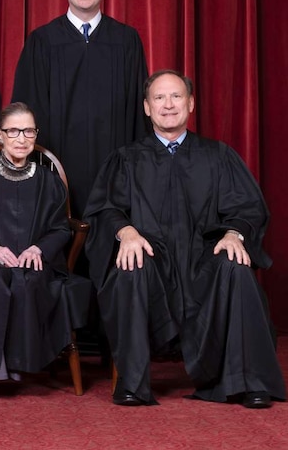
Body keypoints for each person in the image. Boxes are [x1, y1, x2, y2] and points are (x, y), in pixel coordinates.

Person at [84, 70, 286, 408]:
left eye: (176, 96)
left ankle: (250, 382)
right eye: (159, 98)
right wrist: (126, 231)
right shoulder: (127, 158)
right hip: (154, 259)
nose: (168, 105)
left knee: (235, 266)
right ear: (146, 108)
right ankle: (132, 384)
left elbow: (248, 206)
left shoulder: (217, 155)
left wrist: (235, 233)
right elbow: (105, 208)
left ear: (191, 103)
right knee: (131, 265)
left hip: (203, 260)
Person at [0, 103, 90, 401]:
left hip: (32, 261)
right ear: (0, 134)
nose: (22, 138)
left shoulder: (47, 180)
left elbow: (61, 228)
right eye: (14, 131)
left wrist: (40, 247)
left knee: (30, 282)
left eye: (29, 131)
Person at [11, 0, 148, 221]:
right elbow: (27, 110)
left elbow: (138, 111)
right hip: (57, 168)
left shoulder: (126, 40)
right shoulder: (43, 41)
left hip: (114, 167)